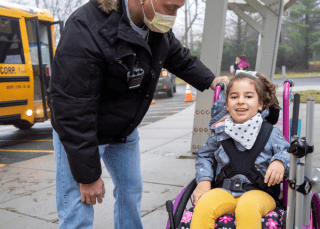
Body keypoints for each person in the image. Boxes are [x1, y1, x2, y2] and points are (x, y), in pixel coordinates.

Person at [48, 0, 228, 228]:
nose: (173, 16)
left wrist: (211, 80)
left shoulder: (153, 25)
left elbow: (179, 57)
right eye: (170, 7)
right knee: (78, 209)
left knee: (131, 192)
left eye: (178, 9)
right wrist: (88, 176)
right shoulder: (85, 28)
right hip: (81, 132)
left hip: (123, 129)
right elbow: (72, 107)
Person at [190, 72, 290, 229]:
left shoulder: (270, 132)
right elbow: (204, 155)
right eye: (234, 97)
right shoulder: (220, 132)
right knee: (204, 206)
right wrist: (204, 180)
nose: (241, 102)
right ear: (227, 105)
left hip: (260, 193)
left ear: (260, 104)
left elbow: (288, 151)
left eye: (248, 96)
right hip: (224, 190)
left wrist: (279, 161)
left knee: (247, 207)